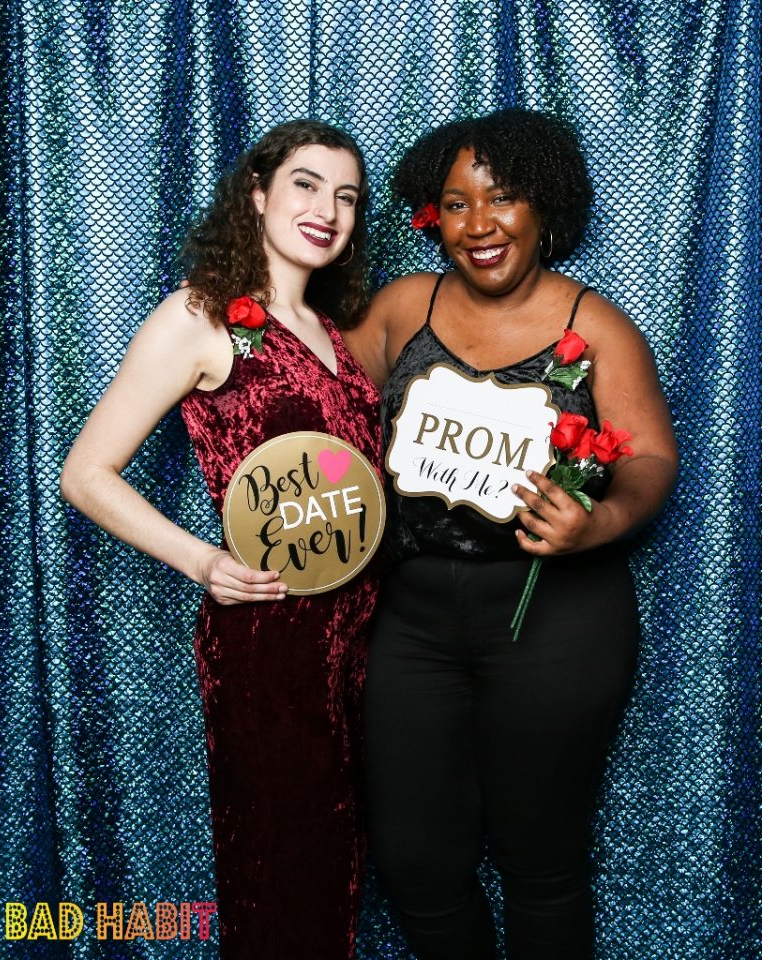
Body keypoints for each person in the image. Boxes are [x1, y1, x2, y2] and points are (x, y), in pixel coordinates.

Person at [344, 109, 679, 960]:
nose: (480, 224)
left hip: (556, 615)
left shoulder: (595, 325)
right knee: (416, 863)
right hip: (413, 619)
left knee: (541, 862)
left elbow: (650, 459)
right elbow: (320, 410)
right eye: (457, 204)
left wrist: (598, 520)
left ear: (543, 206)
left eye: (502, 198)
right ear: (434, 217)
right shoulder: (401, 309)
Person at [60, 120, 382, 960]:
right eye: (306, 184)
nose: (327, 210)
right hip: (271, 636)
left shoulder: (330, 330)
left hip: (362, 641)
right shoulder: (199, 314)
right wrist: (203, 561)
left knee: (340, 869)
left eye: (346, 196)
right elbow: (85, 473)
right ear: (258, 194)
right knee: (282, 867)